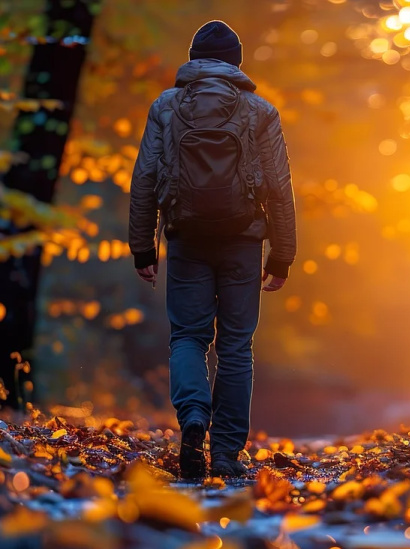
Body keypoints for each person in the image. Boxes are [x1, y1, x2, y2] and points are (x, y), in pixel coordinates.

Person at [128, 20, 297, 480]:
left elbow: (144, 177)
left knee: (187, 337)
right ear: (236, 64)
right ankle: (224, 454)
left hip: (185, 238)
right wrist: (282, 254)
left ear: (193, 58)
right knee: (237, 346)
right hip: (244, 240)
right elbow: (280, 188)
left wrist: (143, 247)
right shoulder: (260, 110)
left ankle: (194, 420)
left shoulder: (166, 106)